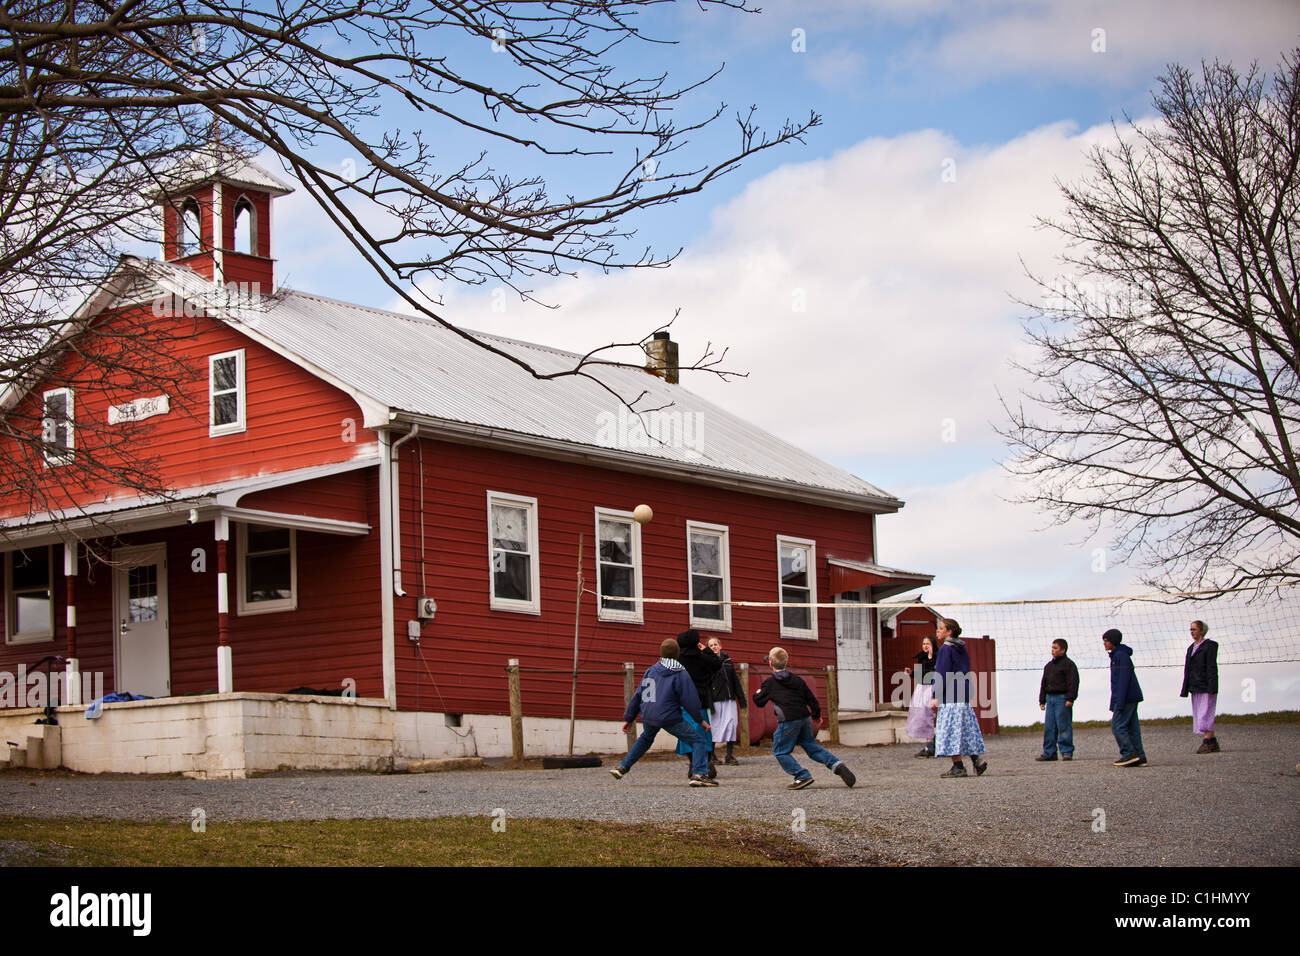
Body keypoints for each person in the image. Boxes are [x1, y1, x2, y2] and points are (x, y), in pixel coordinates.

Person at [610, 637, 717, 786]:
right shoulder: (680, 672)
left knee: (645, 739)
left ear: (661, 652)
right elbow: (690, 700)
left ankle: (622, 767)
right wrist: (700, 720)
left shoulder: (651, 670)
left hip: (648, 714)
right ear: (677, 653)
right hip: (668, 716)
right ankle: (699, 774)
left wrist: (629, 718)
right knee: (698, 740)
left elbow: (638, 695)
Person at [752, 646, 856, 790]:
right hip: (804, 718)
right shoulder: (797, 680)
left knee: (780, 751)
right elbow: (811, 698)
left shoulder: (770, 683)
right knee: (810, 746)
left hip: (788, 721)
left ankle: (802, 776)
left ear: (770, 663)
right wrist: (816, 715)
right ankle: (836, 764)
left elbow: (759, 702)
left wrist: (757, 693)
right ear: (786, 662)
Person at [928, 617, 988, 778]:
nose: (938, 631)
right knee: (965, 729)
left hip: (950, 697)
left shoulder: (946, 649)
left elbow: (942, 673)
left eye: (941, 628)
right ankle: (977, 761)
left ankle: (958, 766)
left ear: (949, 631)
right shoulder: (961, 648)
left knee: (949, 731)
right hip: (963, 694)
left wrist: (936, 695)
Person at [675, 628, 723, 778]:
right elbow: (717, 664)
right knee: (703, 733)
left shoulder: (677, 660)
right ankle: (706, 762)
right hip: (700, 701)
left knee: (686, 733)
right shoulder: (702, 658)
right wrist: (707, 651)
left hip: (683, 702)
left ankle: (693, 763)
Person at [1103, 628, 1146, 767]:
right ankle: (1140, 756)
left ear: (1113, 641)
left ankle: (1129, 753)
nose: (1104, 644)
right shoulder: (1117, 655)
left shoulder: (1121, 656)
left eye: (1106, 641)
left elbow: (1123, 681)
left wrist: (1119, 703)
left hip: (1126, 698)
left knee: (1117, 726)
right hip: (1128, 697)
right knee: (1132, 728)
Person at [1180, 620, 1220, 753]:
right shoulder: (1190, 648)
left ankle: (1207, 740)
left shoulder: (1209, 646)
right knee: (1199, 713)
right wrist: (1186, 687)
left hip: (1206, 684)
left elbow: (1211, 667)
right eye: (1190, 629)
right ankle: (1212, 741)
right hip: (1195, 685)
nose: (1192, 632)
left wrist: (1212, 686)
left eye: (1194, 629)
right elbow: (1187, 669)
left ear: (1202, 631)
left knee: (1205, 713)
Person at [1037, 638, 1080, 761]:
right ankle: (1049, 752)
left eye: (1055, 648)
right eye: (1052, 648)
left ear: (1063, 650)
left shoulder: (1069, 665)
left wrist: (1070, 698)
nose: (1053, 650)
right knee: (1049, 727)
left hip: (1062, 698)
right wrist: (1042, 700)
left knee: (1063, 726)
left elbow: (1073, 682)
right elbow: (1043, 684)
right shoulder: (1048, 666)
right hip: (1050, 698)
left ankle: (1066, 751)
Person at [706, 637, 746, 764]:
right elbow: (706, 685)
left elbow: (735, 681)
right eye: (711, 645)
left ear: (720, 646)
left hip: (729, 699)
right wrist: (709, 703)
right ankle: (712, 755)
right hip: (715, 700)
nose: (714, 647)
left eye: (715, 644)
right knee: (715, 727)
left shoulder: (728, 662)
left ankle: (729, 755)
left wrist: (741, 699)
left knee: (731, 726)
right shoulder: (707, 664)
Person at [906, 635, 937, 757]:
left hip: (932, 688)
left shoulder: (937, 657)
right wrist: (911, 673)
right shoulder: (921, 657)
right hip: (922, 687)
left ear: (933, 645)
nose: (925, 646)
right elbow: (921, 674)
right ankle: (930, 744)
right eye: (924, 644)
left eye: (928, 644)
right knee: (921, 714)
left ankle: (932, 744)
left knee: (928, 714)